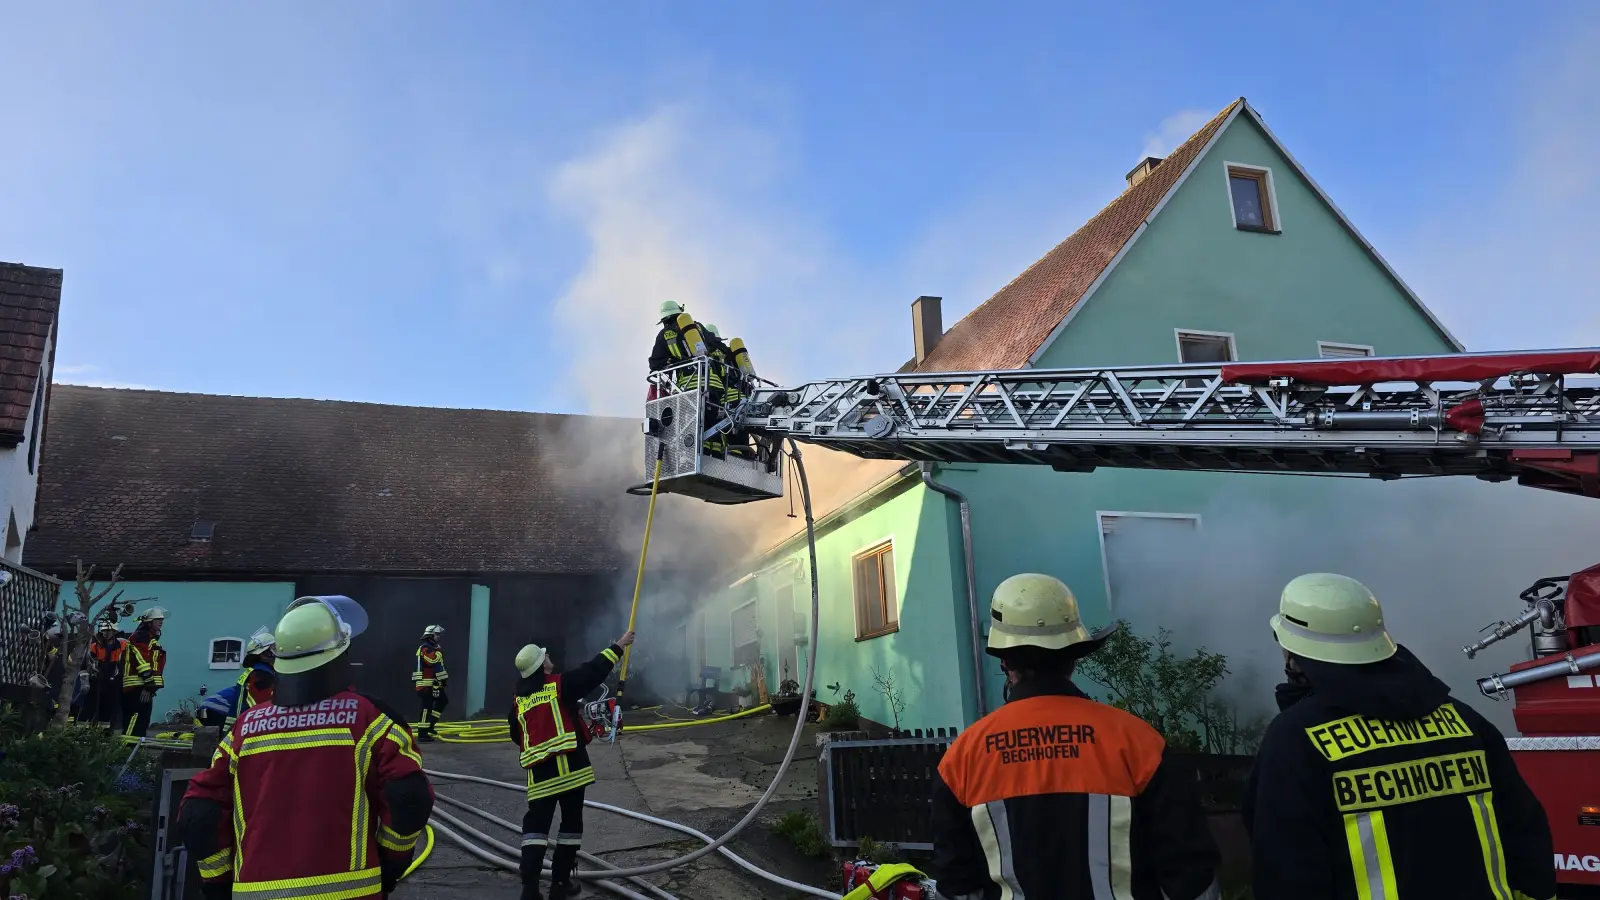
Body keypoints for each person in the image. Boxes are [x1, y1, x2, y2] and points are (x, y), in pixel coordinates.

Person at [1242, 573, 1555, 900]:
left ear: (1293, 652)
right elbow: (1526, 837)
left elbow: (1285, 871)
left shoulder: (1295, 741)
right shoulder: (1465, 722)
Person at [930, 573, 1221, 900]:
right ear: (1073, 657)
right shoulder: (1139, 744)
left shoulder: (964, 757)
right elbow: (1192, 878)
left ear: (1004, 660)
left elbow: (956, 885)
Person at [176, 595, 434, 900]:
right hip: (350, 893)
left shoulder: (245, 728)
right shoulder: (370, 718)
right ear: (341, 655)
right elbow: (408, 797)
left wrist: (218, 882)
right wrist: (392, 861)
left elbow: (200, 812)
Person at [509, 630, 635, 900]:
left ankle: (529, 889)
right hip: (570, 773)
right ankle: (560, 883)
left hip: (539, 779)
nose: (550, 657)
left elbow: (516, 735)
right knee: (569, 828)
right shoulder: (558, 686)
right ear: (543, 666)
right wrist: (619, 645)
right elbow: (591, 672)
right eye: (546, 657)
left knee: (534, 831)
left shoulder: (518, 702)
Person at [196, 627, 277, 729]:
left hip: (213, 708)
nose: (277, 652)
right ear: (264, 654)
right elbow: (261, 706)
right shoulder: (261, 675)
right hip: (215, 710)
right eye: (274, 648)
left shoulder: (258, 671)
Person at [121, 606, 168, 738]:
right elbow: (141, 660)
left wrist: (151, 688)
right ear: (148, 622)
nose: (161, 622)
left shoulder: (150, 638)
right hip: (136, 688)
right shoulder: (140, 637)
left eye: (162, 620)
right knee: (134, 723)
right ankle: (126, 753)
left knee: (141, 723)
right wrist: (148, 685)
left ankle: (135, 753)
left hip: (146, 687)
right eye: (157, 619)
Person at [83, 616, 127, 729]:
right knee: (89, 707)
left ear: (114, 631)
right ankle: (82, 732)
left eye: (109, 630)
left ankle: (104, 735)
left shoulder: (122, 645)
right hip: (97, 679)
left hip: (113, 681)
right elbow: (86, 665)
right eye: (104, 630)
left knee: (108, 709)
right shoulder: (94, 646)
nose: (106, 633)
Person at [413, 625, 448, 742]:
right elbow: (432, 660)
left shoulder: (432, 648)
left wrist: (442, 681)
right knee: (426, 708)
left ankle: (430, 726)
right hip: (425, 685)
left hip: (433, 684)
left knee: (442, 701)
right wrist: (438, 651)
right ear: (430, 636)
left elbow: (438, 668)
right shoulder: (425, 648)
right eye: (437, 634)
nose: (439, 637)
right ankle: (422, 734)